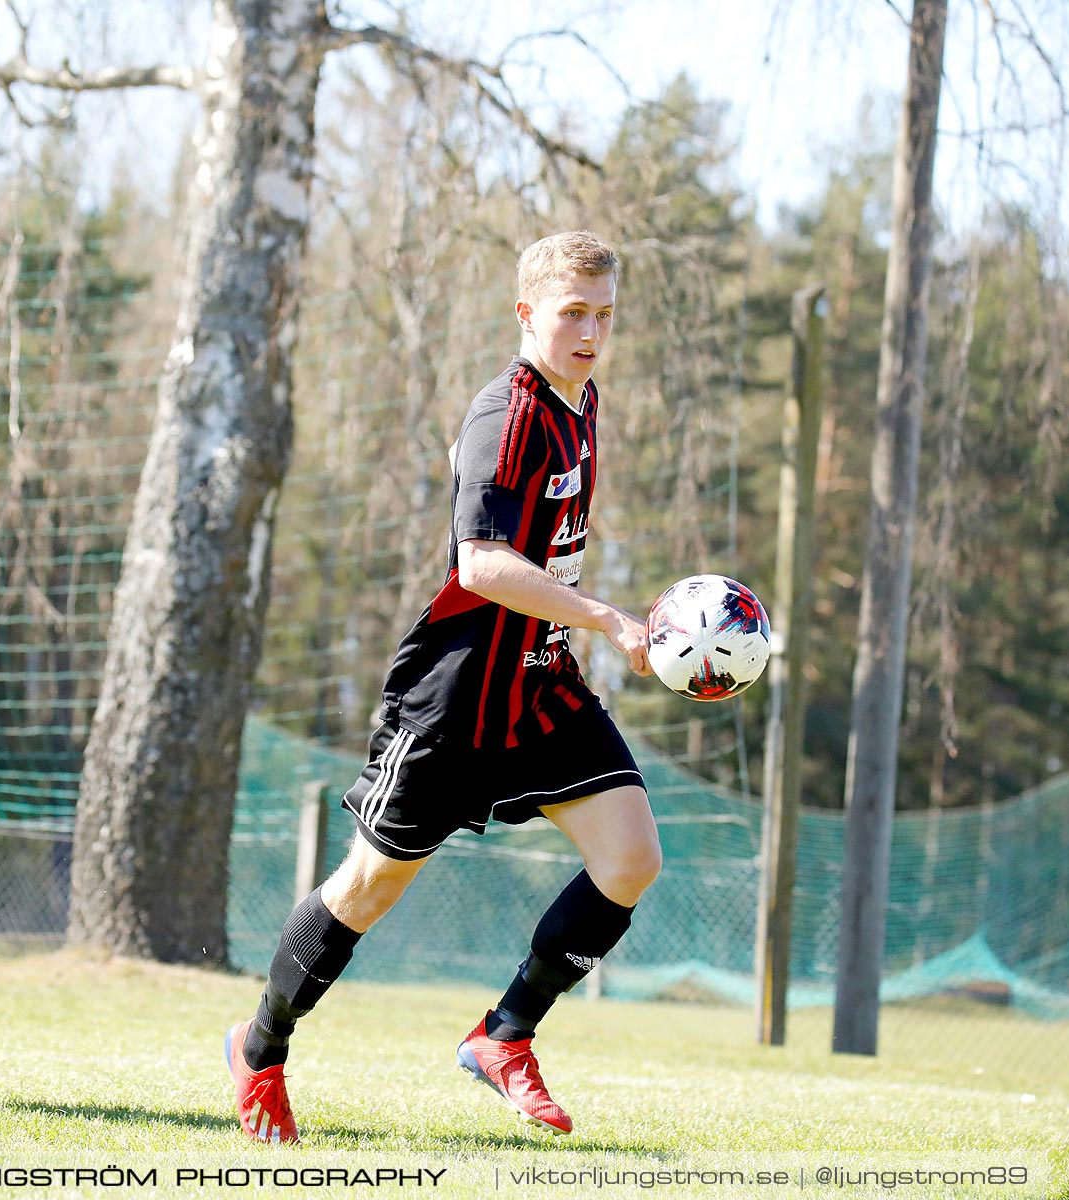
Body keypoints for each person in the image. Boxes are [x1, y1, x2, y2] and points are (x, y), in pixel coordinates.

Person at [224, 231, 659, 1144]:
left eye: (604, 314)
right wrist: (610, 618)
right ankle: (260, 1047)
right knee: (369, 889)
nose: (590, 331)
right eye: (572, 312)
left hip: (541, 684)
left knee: (630, 858)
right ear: (526, 314)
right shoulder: (503, 417)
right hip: (457, 698)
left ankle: (505, 1037)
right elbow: (484, 564)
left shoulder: (585, 404)